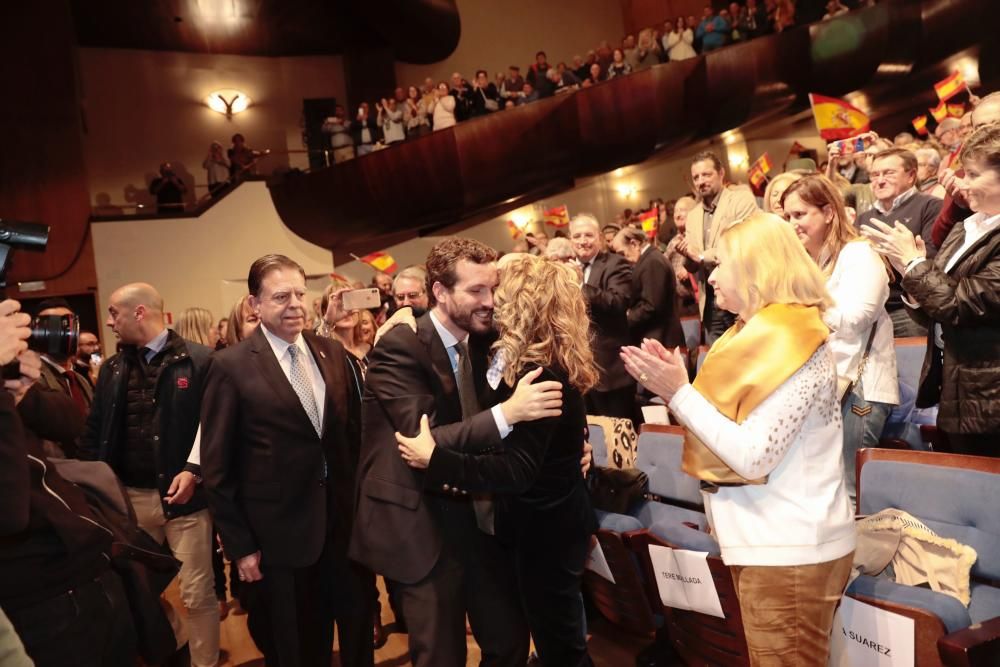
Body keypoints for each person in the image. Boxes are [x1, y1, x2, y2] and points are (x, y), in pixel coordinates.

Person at [622, 212, 855, 665]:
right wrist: (678, 386)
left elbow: (753, 456)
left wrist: (678, 392)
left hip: (790, 547)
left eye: (723, 264)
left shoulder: (792, 339)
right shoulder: (749, 335)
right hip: (770, 542)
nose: (712, 278)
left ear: (756, 267)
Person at [351, 238, 571, 667]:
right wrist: (507, 415)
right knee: (441, 655)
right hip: (421, 521)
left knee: (508, 641)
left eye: (492, 288)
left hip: (479, 515)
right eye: (475, 291)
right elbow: (421, 443)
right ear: (439, 292)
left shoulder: (484, 337)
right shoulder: (400, 346)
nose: (489, 302)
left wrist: (567, 447)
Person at [395, 254, 598, 666]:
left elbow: (516, 470)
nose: (490, 299)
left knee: (562, 650)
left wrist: (437, 460)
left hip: (549, 531)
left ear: (523, 300)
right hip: (535, 526)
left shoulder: (542, 373)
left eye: (498, 289)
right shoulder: (512, 356)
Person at [200, 255, 373, 667]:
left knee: (357, 633)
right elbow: (217, 468)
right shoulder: (230, 366)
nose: (295, 303)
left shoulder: (331, 352)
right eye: (281, 296)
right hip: (280, 540)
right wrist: (240, 547)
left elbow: (350, 438)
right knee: (298, 647)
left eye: (300, 293)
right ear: (254, 305)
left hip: (344, 531)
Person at [78, 283, 218, 667]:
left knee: (197, 593)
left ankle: (204, 663)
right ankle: (173, 652)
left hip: (186, 501)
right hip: (130, 501)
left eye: (113, 313)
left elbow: (218, 428)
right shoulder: (112, 368)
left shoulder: (200, 360)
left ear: (139, 312)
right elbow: (95, 433)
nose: (108, 322)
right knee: (140, 590)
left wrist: (195, 472)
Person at [1, 298, 137, 667]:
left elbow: (69, 422)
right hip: (36, 591)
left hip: (83, 564)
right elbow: (9, 511)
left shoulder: (65, 376)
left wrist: (21, 393)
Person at [861, 124, 1000, 455]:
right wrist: (906, 269)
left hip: (990, 399)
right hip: (957, 388)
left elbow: (959, 303)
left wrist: (913, 264)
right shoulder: (968, 225)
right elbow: (937, 304)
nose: (961, 183)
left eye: (972, 174)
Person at [782, 175, 898, 501]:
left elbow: (854, 321)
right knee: (826, 492)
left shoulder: (858, 254)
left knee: (849, 492)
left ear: (829, 212)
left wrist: (805, 299)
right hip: (826, 387)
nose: (793, 224)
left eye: (800, 214)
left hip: (860, 390)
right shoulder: (815, 262)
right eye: (788, 216)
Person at [855, 148, 942, 337]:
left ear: (911, 175)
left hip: (909, 309)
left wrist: (879, 255)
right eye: (875, 175)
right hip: (871, 310)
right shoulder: (864, 218)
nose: (880, 180)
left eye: (888, 173)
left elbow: (930, 256)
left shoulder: (930, 206)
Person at [677, 151, 760, 343]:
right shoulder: (693, 215)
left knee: (750, 354)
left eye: (706, 175)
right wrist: (687, 256)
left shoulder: (740, 200)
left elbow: (743, 242)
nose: (700, 181)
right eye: (696, 177)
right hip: (711, 303)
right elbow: (693, 263)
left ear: (721, 173)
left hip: (742, 294)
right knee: (721, 361)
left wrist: (701, 256)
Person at [569, 214, 635, 420]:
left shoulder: (616, 263)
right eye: (577, 236)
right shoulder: (566, 269)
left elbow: (618, 303)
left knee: (620, 435)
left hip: (611, 370)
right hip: (580, 370)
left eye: (588, 235)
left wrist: (580, 286)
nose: (582, 241)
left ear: (599, 237)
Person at [611, 226, 684, 350]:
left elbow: (651, 306)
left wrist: (625, 319)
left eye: (622, 253)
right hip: (656, 337)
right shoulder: (649, 259)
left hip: (660, 339)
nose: (622, 259)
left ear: (634, 244)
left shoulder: (652, 261)